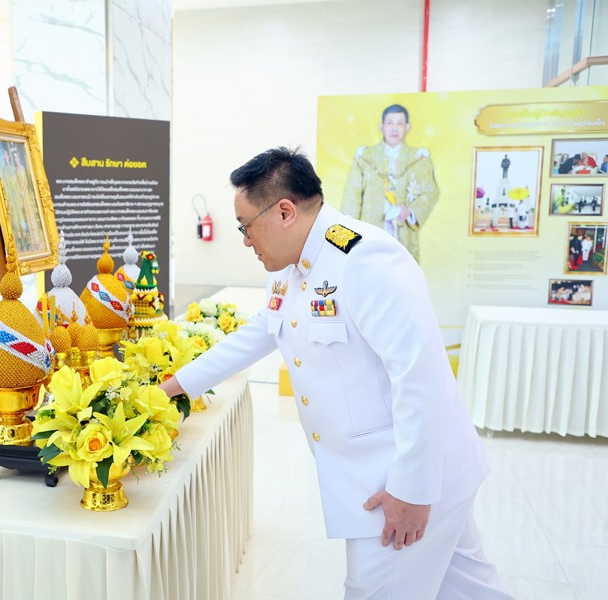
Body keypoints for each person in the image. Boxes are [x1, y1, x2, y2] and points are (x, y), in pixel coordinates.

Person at [160, 147, 510, 599]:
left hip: (400, 483)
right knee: (470, 590)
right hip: (403, 475)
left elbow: (420, 378)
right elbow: (261, 330)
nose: (246, 241)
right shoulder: (290, 267)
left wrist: (412, 491)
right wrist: (174, 386)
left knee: (374, 591)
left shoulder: (365, 258)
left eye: (246, 227)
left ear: (284, 211)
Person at [341, 104, 439, 263]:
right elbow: (352, 197)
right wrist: (349, 238)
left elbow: (430, 191)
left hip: (403, 234)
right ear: (382, 127)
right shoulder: (365, 157)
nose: (394, 128)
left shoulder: (418, 158)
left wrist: (410, 212)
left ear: (407, 127)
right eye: (390, 123)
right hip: (371, 230)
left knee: (401, 272)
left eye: (399, 123)